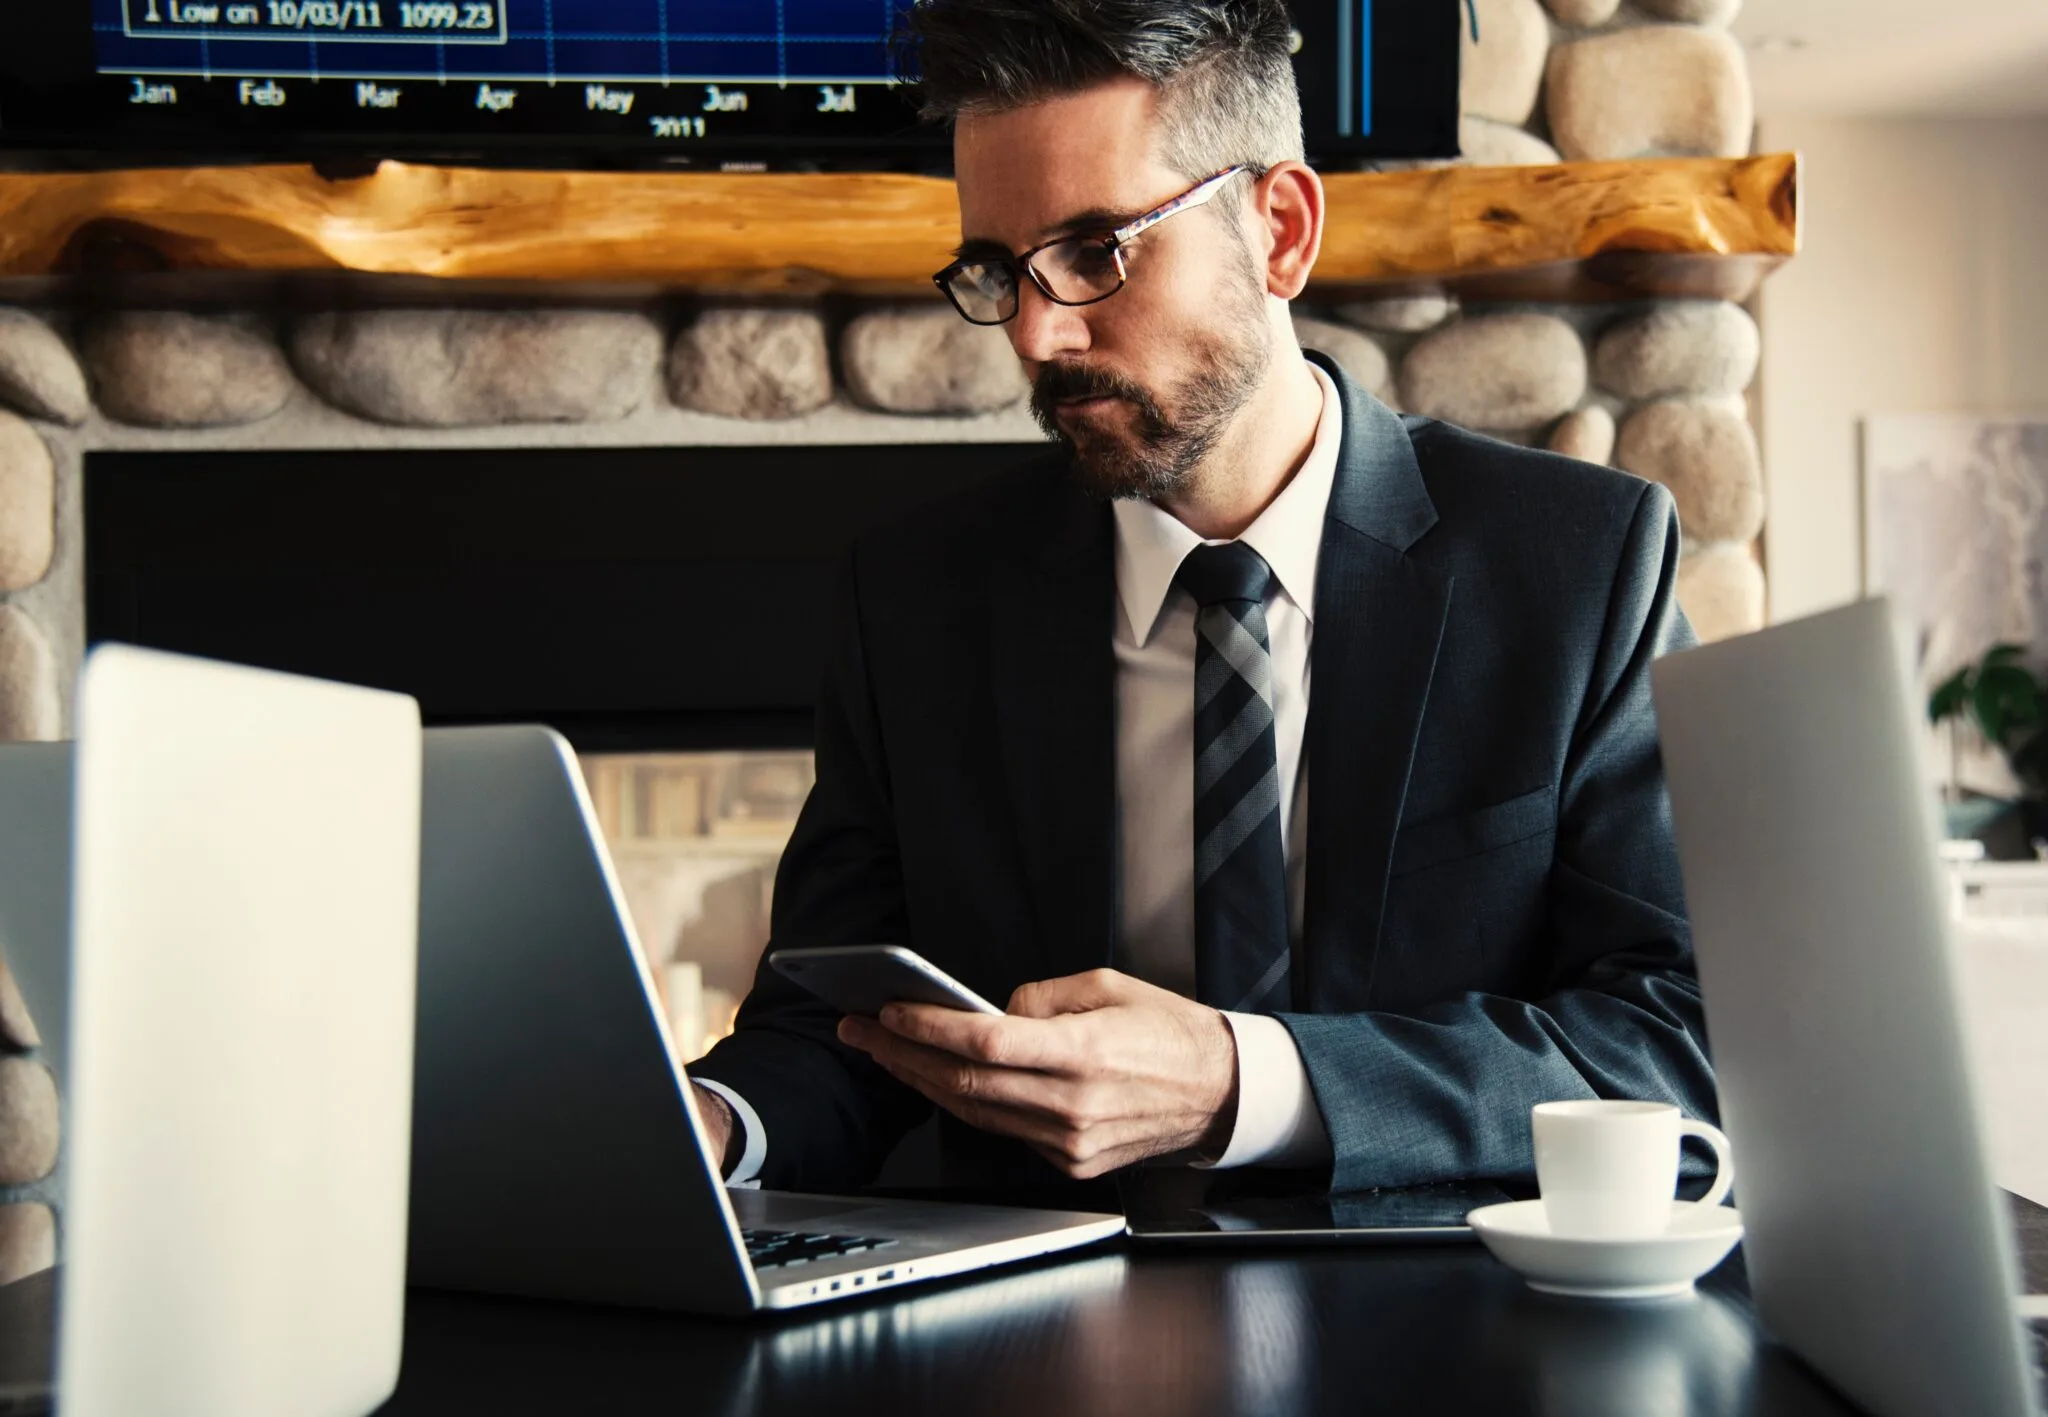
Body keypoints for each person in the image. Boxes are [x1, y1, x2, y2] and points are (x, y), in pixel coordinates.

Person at [687, 0, 1713, 1198]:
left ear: (1278, 231)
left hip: (1444, 1317)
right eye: (995, 269)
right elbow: (835, 1030)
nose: (1036, 332)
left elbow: (1674, 1038)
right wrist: (706, 1122)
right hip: (1038, 1336)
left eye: (1094, 252)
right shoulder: (912, 599)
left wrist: (1243, 1082)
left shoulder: (1577, 565)